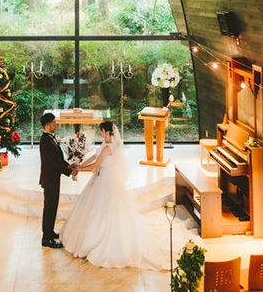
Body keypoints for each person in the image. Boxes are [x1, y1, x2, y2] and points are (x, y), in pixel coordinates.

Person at [60, 120, 168, 269]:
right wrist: (80, 164)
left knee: (104, 211)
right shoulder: (104, 145)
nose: (99, 133)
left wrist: (79, 169)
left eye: (101, 131)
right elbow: (93, 158)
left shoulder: (109, 147)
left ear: (106, 132)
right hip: (99, 177)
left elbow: (96, 164)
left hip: (106, 180)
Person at [39, 112, 77, 248]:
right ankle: (46, 237)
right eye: (54, 123)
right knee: (49, 207)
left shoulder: (51, 138)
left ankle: (49, 232)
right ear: (47, 126)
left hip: (54, 178)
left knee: (53, 206)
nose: (56, 124)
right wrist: (70, 171)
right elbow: (55, 163)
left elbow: (59, 159)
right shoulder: (46, 141)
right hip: (49, 179)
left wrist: (69, 165)